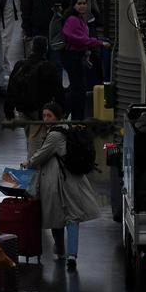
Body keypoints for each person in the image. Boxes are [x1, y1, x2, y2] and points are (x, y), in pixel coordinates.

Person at [25, 103, 102, 268]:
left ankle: (61, 250)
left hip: (58, 181)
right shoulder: (68, 128)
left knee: (56, 217)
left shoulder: (54, 135)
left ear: (57, 116)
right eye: (44, 116)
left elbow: (41, 155)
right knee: (72, 217)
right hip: (73, 179)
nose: (45, 119)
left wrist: (28, 163)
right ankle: (71, 255)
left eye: (49, 116)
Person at [4, 36, 65, 156]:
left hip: (23, 109)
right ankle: (35, 168)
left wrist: (9, 111)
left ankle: (32, 163)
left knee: (31, 138)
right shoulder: (49, 67)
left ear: (32, 48)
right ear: (45, 49)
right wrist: (61, 111)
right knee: (37, 143)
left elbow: (11, 89)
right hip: (41, 111)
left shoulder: (20, 65)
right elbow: (59, 92)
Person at [59, 0, 110, 119]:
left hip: (78, 57)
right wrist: (99, 43)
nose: (82, 6)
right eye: (79, 3)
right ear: (74, 5)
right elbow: (81, 39)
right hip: (72, 57)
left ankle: (76, 116)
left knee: (79, 89)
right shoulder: (73, 19)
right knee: (78, 89)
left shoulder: (79, 18)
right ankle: (67, 112)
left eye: (84, 3)